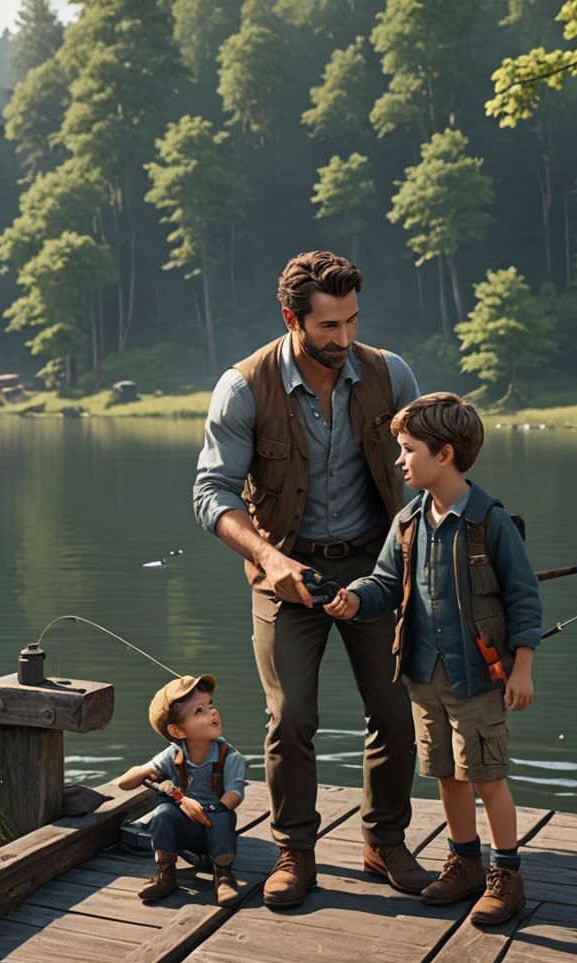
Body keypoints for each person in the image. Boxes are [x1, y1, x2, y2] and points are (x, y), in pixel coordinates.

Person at [193, 250, 430, 908]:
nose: (346, 339)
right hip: (285, 569)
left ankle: (384, 842)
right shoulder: (242, 386)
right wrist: (271, 562)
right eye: (330, 327)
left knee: (392, 712)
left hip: (379, 569)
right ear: (291, 318)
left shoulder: (392, 374)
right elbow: (212, 494)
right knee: (292, 715)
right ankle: (295, 851)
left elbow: (433, 463)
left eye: (353, 321)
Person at [323, 392, 542, 925]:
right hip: (423, 676)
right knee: (446, 773)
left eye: (408, 449)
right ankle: (464, 862)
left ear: (444, 454)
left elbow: (524, 598)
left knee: (487, 776)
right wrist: (353, 598)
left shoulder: (491, 522)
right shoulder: (408, 521)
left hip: (479, 678)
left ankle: (506, 875)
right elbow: (383, 583)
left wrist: (522, 668)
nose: (400, 460)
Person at [117, 674, 247, 908]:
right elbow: (124, 783)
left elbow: (234, 795)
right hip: (184, 829)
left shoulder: (230, 757)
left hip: (214, 825)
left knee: (221, 816)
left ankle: (224, 875)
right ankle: (166, 872)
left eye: (211, 706)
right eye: (200, 711)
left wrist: (207, 810)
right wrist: (146, 770)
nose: (213, 713)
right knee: (164, 812)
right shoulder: (173, 754)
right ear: (177, 731)